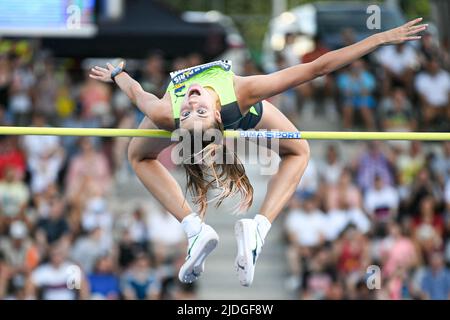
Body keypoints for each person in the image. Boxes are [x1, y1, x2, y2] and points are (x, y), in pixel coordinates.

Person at [89, 18, 427, 287]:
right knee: (300, 151)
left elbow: (137, 93)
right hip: (242, 111)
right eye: (195, 112)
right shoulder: (231, 94)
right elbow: (317, 68)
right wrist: (377, 39)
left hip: (237, 114)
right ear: (217, 116)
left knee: (138, 155)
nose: (191, 104)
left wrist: (119, 74)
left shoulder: (170, 111)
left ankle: (206, 230)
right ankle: (242, 230)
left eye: (192, 112)